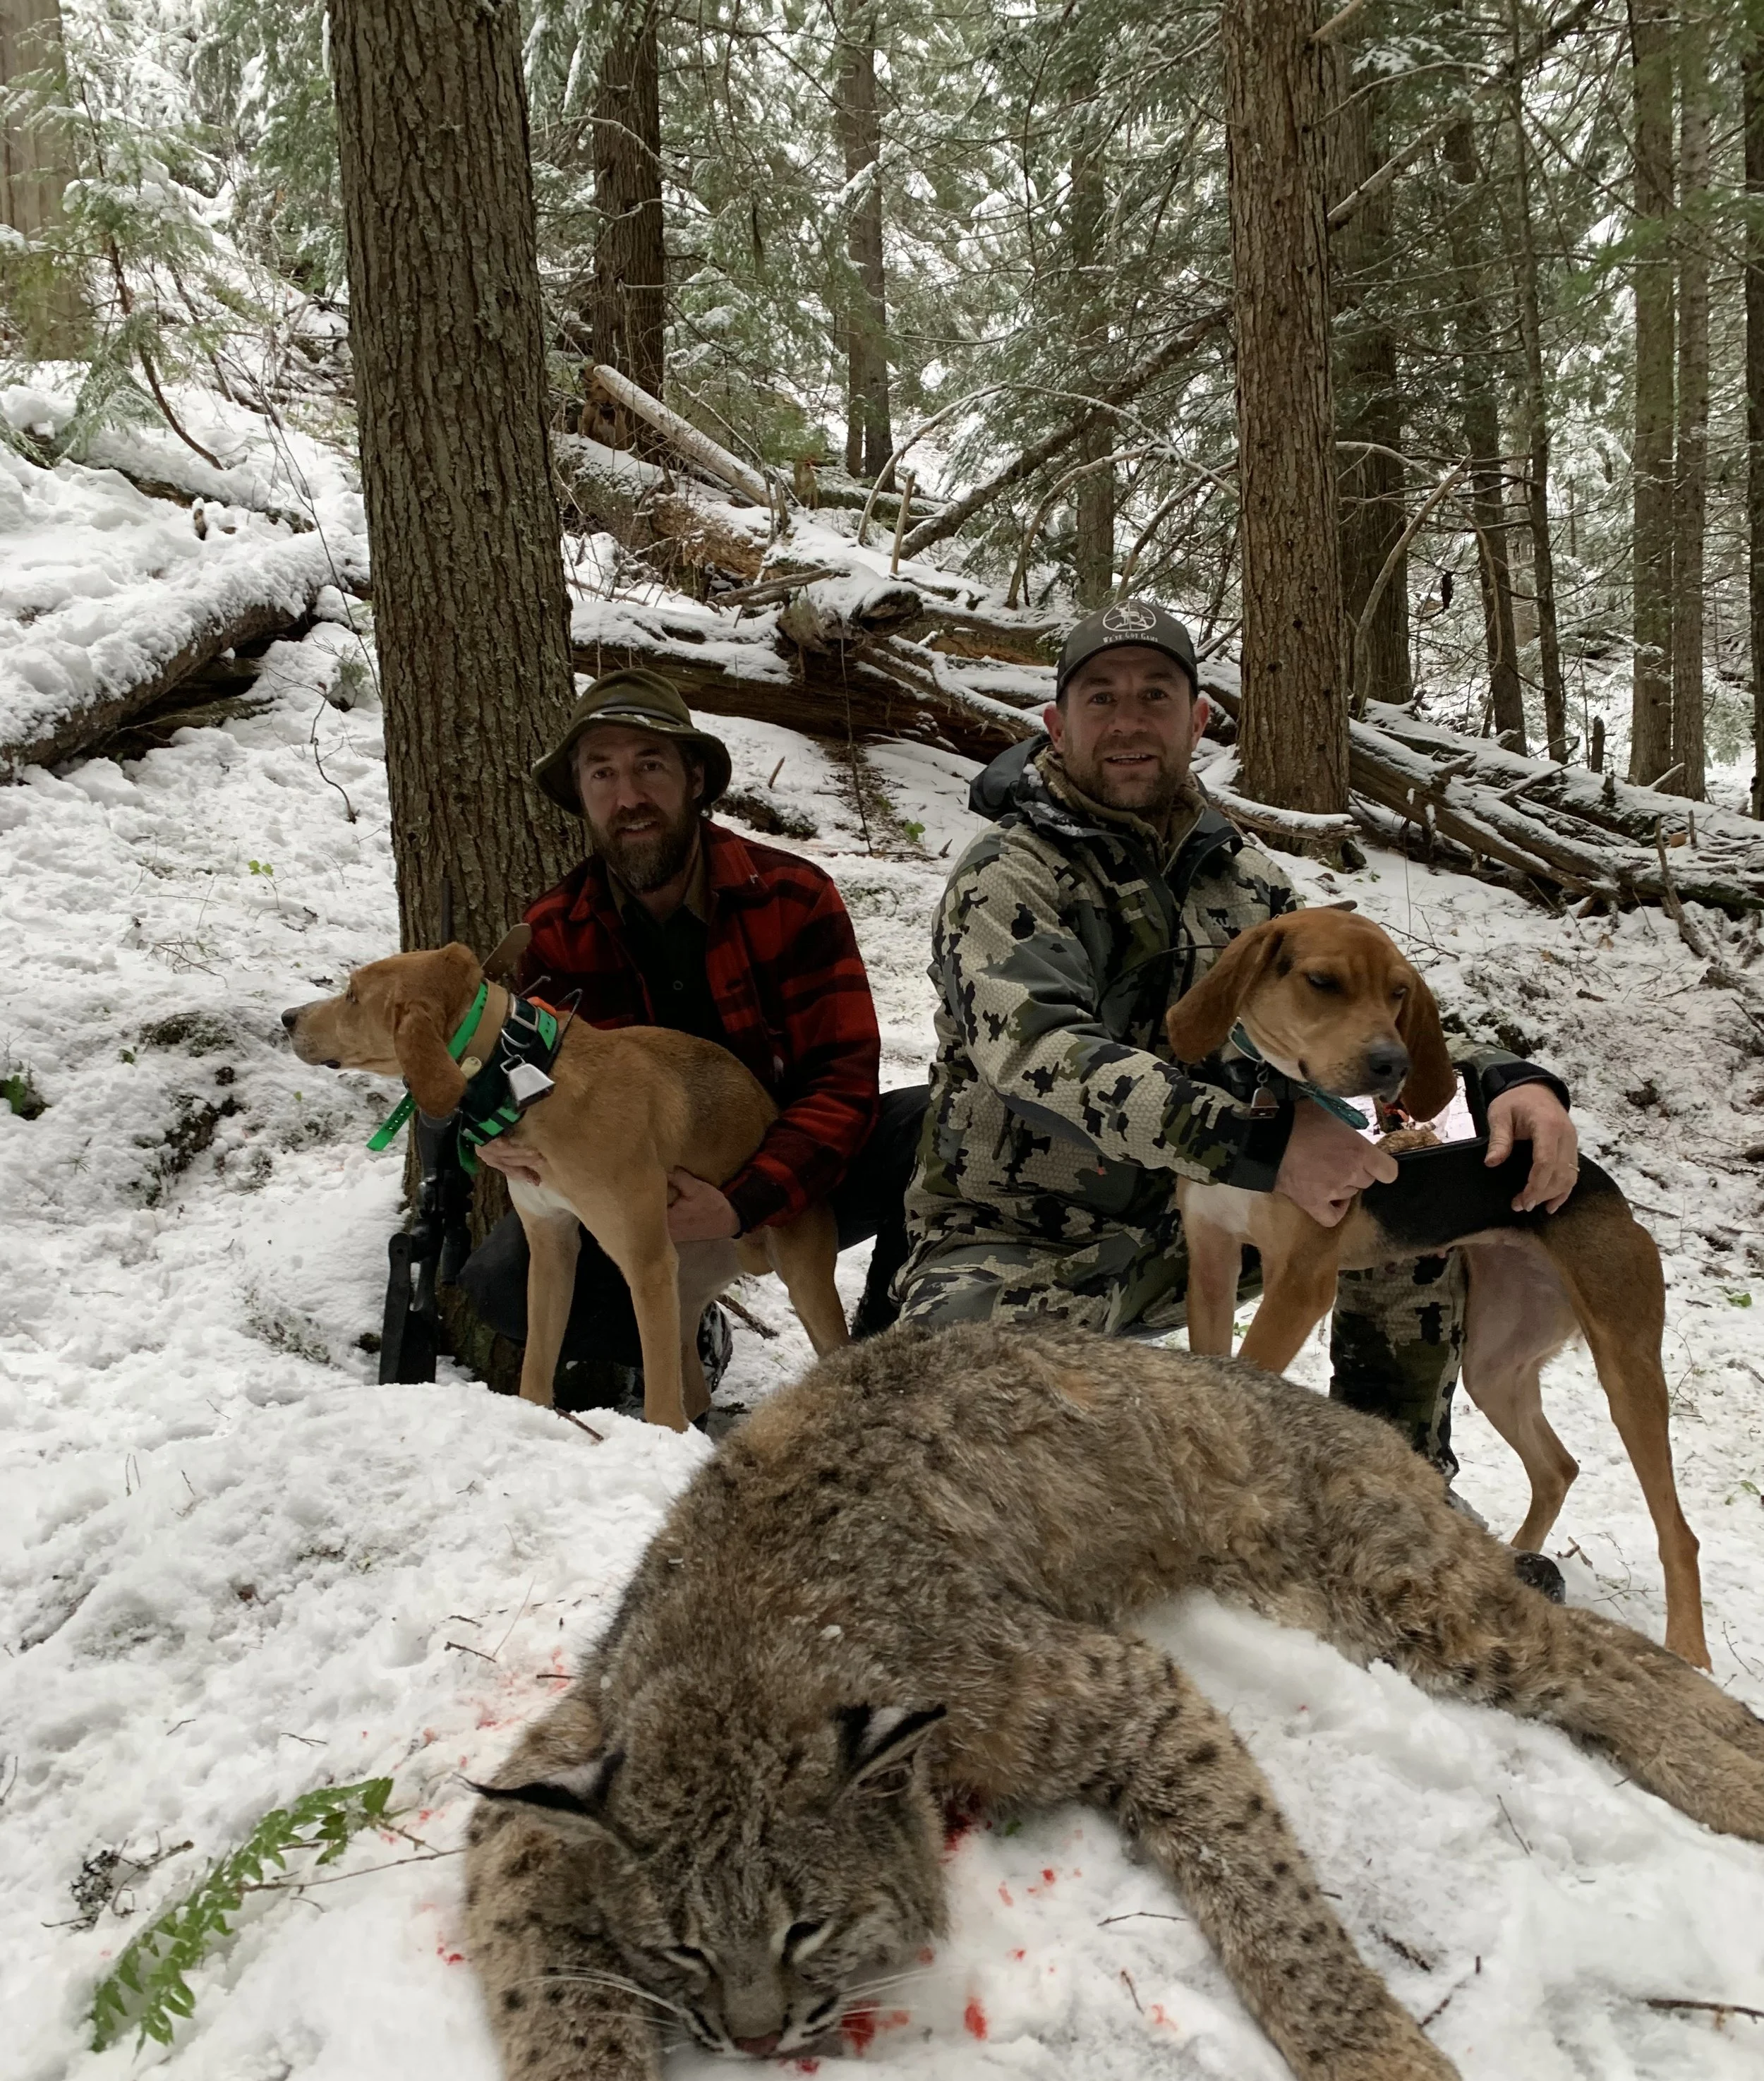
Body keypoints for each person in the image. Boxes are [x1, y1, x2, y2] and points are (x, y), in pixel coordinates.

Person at [895, 600, 1579, 1564]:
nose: (1129, 720)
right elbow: (1041, 1054)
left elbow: (1358, 1002)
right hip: (1024, 1243)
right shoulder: (1008, 876)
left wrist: (1509, 1077)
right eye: (1101, 698)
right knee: (950, 1461)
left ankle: (1397, 1502)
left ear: (1198, 720)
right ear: (1057, 725)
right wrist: (1259, 1143)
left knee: (1406, 1202)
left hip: (1195, 1229)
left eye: (1155, 696)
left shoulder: (1245, 881)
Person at [458, 668, 926, 1397]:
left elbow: (841, 1079)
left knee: (937, 1126)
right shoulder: (553, 930)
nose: (629, 797)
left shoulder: (794, 897)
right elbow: (537, 1077)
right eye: (603, 774)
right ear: (580, 796)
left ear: (695, 777)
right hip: (645, 1183)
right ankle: (682, 1335)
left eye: (650, 766)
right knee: (498, 1283)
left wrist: (745, 1200)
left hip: (795, 1169)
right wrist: (494, 1126)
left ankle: (880, 1348)